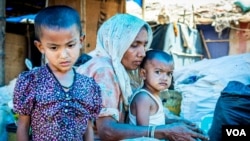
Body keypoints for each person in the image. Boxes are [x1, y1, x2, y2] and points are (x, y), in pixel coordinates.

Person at [77, 13, 209, 141]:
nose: (142, 53)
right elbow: (107, 132)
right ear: (116, 43)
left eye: (144, 45)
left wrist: (177, 124)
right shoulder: (104, 70)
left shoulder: (122, 69)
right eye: (134, 45)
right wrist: (166, 131)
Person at [13, 5, 102, 141]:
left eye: (70, 45)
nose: (64, 55)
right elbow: (23, 126)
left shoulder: (88, 85)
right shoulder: (32, 81)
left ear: (81, 41)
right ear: (41, 47)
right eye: (54, 47)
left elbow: (87, 127)